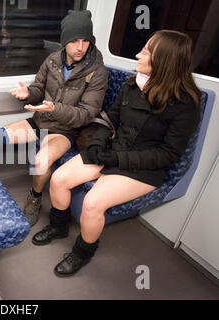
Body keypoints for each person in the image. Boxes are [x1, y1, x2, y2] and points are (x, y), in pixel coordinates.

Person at [39, 30, 201, 277]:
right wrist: (96, 143)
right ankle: (59, 226)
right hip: (113, 151)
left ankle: (84, 251)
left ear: (164, 61)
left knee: (92, 204)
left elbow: (168, 155)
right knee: (59, 178)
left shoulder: (185, 104)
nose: (138, 54)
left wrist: (117, 159)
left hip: (144, 168)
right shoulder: (133, 85)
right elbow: (109, 119)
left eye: (146, 52)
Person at [0, 10, 108, 226]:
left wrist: (54, 109)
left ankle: (35, 197)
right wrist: (28, 94)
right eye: (74, 41)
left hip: (65, 130)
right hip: (40, 120)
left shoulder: (97, 72)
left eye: (85, 41)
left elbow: (86, 115)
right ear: (64, 40)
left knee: (41, 161)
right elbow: (39, 87)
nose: (80, 47)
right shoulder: (52, 60)